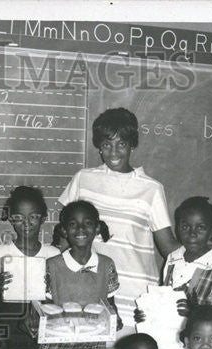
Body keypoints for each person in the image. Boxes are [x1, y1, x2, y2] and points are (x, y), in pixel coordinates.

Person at [58, 107, 178, 322]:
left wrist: (210, 254)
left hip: (136, 297)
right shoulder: (83, 180)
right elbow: (63, 238)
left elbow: (168, 247)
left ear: (132, 145)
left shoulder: (151, 189)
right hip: (90, 291)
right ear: (99, 147)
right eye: (106, 144)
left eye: (121, 143)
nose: (113, 152)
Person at [0, 186, 61, 349]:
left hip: (45, 328)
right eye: (18, 217)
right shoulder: (0, 253)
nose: (26, 223)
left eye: (33, 217)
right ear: (10, 219)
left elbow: (59, 300)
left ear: (44, 218)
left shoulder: (53, 254)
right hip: (10, 331)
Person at [45, 201, 121, 321]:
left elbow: (110, 305)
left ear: (97, 228)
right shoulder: (52, 266)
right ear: (64, 230)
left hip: (97, 335)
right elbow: (45, 306)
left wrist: (116, 319)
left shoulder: (107, 265)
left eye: (88, 223)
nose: (81, 228)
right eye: (73, 224)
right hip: (61, 334)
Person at [161, 196, 212, 305]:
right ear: (178, 228)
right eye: (185, 227)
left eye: (200, 227)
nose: (192, 234)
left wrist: (194, 313)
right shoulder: (172, 259)